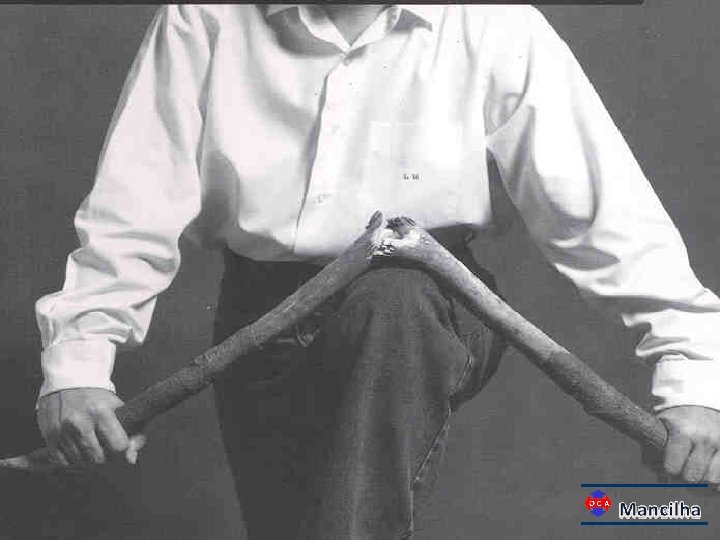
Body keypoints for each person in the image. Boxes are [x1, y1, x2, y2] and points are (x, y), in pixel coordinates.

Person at [35, 4, 720, 538]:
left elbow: (607, 218)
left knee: (392, 303)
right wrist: (78, 365)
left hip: (431, 300)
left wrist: (694, 376)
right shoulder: (204, 19)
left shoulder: (496, 24)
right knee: (298, 524)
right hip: (260, 316)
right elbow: (134, 203)